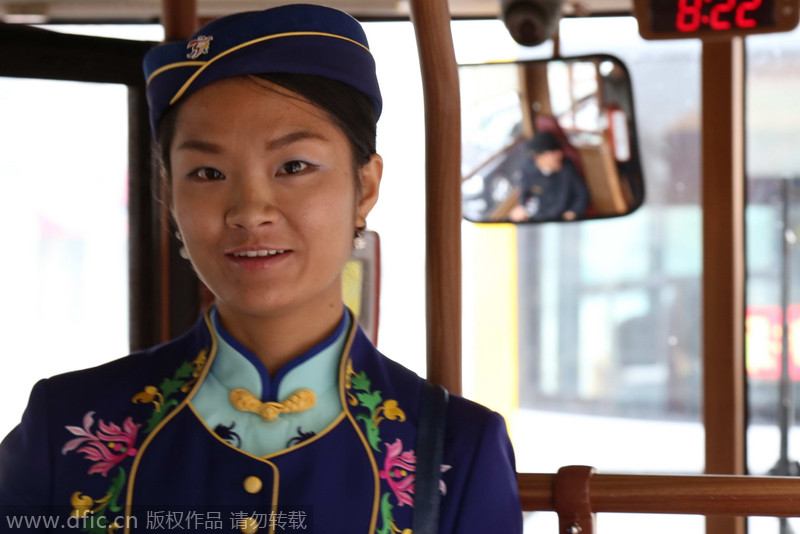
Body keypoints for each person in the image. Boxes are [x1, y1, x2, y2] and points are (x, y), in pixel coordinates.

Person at [0, 5, 522, 534]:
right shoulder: (67, 426)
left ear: (364, 188)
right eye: (207, 172)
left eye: (293, 167)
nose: (250, 212)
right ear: (170, 199)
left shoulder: (455, 450)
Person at [509, 131, 589, 222]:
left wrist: (573, 212)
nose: (559, 155)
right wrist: (521, 206)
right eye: (553, 153)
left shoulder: (567, 169)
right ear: (540, 158)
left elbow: (582, 195)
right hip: (539, 217)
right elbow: (524, 191)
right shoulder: (527, 169)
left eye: (558, 151)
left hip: (561, 219)